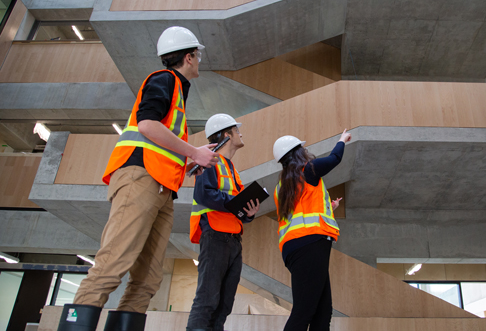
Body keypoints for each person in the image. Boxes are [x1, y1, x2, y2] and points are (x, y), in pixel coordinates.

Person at [58, 26, 219, 331]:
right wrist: (194, 153)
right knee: (113, 261)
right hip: (140, 178)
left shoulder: (177, 91)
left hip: (160, 185)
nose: (199, 61)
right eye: (197, 55)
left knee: (148, 277)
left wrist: (188, 161)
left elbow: (162, 144)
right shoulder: (165, 79)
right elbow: (147, 125)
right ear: (189, 57)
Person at [187, 113, 260, 331]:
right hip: (215, 236)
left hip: (233, 240)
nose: (240, 133)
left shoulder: (232, 169)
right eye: (236, 130)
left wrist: (248, 212)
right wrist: (237, 203)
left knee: (224, 305)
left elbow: (234, 207)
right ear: (226, 135)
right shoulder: (209, 162)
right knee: (207, 300)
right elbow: (206, 195)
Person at [273, 129, 351, 331]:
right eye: (303, 148)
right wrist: (342, 140)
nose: (306, 151)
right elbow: (334, 158)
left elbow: (300, 209)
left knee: (323, 311)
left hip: (297, 248)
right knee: (305, 311)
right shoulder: (308, 170)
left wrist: (329, 208)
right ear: (297, 152)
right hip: (310, 245)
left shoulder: (282, 185)